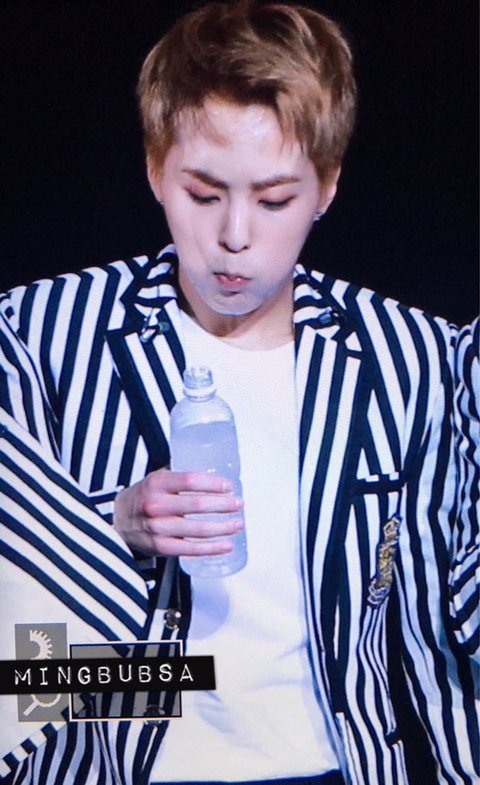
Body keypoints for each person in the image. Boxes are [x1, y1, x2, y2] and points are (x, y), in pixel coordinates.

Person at [0, 1, 477, 784]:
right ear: (155, 168)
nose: (234, 235)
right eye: (203, 192)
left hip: (332, 769)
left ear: (327, 187)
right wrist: (108, 525)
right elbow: (22, 670)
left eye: (275, 199)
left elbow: (447, 631)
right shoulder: (41, 336)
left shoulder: (413, 359)